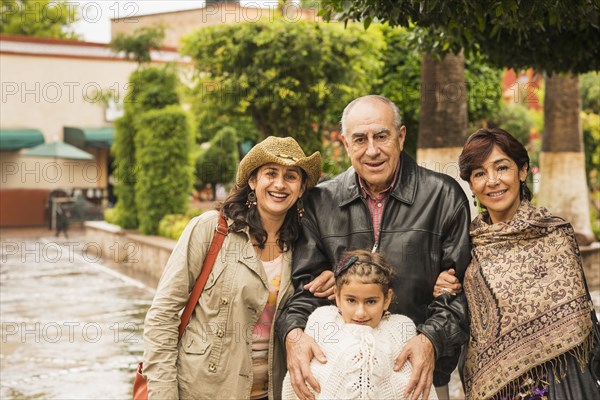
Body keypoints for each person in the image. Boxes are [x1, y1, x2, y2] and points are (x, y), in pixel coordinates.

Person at [276, 95, 472, 400]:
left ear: (401, 136)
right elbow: (305, 293)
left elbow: (459, 296)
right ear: (345, 143)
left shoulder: (444, 197)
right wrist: (293, 336)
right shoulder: (319, 202)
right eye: (360, 139)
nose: (372, 150)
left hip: (417, 378)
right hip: (336, 383)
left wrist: (430, 339)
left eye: (382, 136)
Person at [143, 136, 333, 399]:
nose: (279, 184)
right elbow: (162, 317)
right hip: (203, 390)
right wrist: (163, 394)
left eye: (291, 176)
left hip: (274, 392)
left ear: (301, 189)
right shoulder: (211, 229)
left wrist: (337, 278)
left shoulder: (305, 245)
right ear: (253, 181)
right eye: (270, 173)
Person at [434, 128, 598, 399]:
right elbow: (457, 321)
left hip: (559, 387)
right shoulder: (465, 247)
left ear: (522, 171)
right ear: (472, 184)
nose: (492, 181)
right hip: (494, 389)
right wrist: (443, 288)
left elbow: (583, 323)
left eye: (502, 168)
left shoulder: (554, 234)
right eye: (479, 173)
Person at [281, 250, 439, 400]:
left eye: (371, 301)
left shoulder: (400, 329)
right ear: (336, 295)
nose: (360, 312)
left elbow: (412, 383)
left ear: (387, 299)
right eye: (351, 300)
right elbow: (306, 377)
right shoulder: (323, 321)